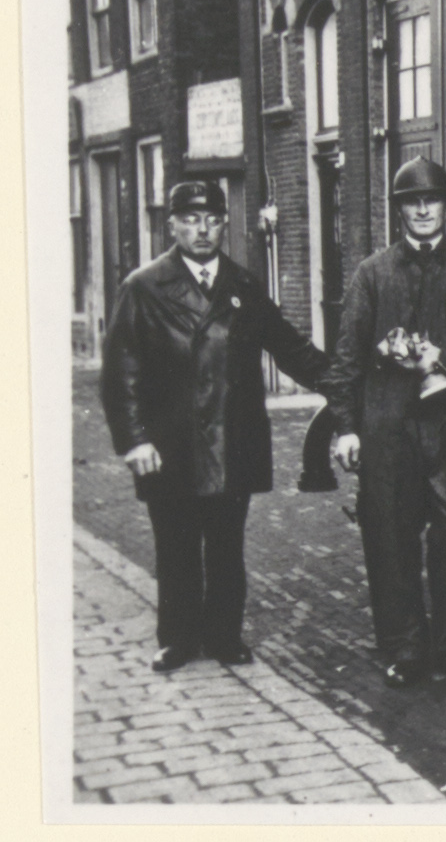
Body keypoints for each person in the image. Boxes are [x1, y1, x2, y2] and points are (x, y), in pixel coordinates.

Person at [100, 180, 330, 672]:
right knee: (176, 546)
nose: (202, 229)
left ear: (225, 224)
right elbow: (121, 372)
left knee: (227, 547)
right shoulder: (143, 287)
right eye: (190, 219)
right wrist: (135, 440)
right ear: (172, 225)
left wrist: (347, 381)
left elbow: (290, 348)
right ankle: (178, 639)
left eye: (211, 219)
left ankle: (225, 636)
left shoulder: (243, 285)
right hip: (171, 444)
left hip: (232, 440)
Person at [321, 157, 446, 688]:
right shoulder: (373, 273)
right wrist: (346, 426)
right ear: (400, 211)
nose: (424, 209)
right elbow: (345, 360)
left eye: (432, 200)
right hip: (389, 426)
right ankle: (405, 647)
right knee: (391, 537)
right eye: (413, 202)